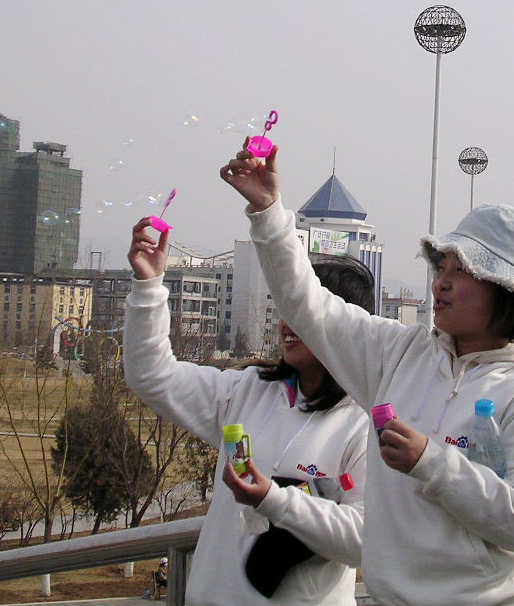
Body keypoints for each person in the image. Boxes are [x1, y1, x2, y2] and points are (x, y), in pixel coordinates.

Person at [221, 142, 514, 606]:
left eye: (463, 270)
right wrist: (268, 212)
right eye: (441, 266)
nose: (441, 282)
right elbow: (308, 306)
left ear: (508, 292)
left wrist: (431, 462)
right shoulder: (400, 353)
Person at [124, 219, 372, 606]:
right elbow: (152, 376)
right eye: (286, 307)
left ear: (346, 323)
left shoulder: (365, 422)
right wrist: (148, 286)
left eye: (304, 310)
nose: (287, 323)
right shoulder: (248, 389)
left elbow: (364, 540)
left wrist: (275, 500)